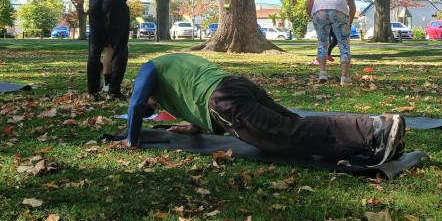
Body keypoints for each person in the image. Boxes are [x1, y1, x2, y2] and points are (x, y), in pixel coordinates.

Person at [117, 54, 406, 166]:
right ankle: (370, 144)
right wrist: (195, 126)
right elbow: (194, 93)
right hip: (239, 86)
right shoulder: (173, 68)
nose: (154, 108)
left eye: (151, 107)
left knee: (285, 134)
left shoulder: (149, 69)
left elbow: (134, 105)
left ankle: (374, 128)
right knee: (293, 127)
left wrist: (131, 139)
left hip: (224, 100)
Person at [307, 0, 356, 86]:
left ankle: (322, 73)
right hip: (340, 10)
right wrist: (349, 22)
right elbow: (352, 7)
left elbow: (308, 5)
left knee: (322, 43)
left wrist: (313, 17)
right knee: (344, 45)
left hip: (319, 11)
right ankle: (344, 77)